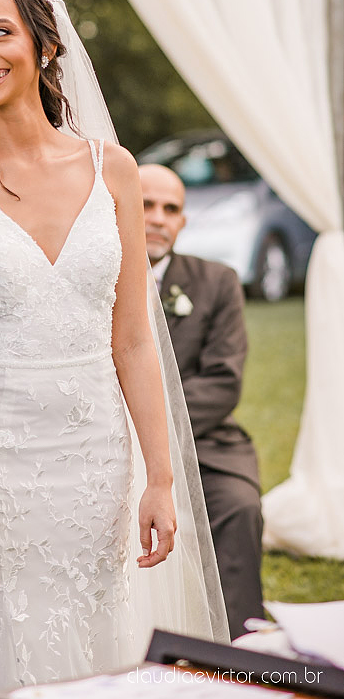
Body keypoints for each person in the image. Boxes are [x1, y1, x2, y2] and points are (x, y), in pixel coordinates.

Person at [0, 0, 228, 699]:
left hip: (95, 464)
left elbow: (131, 340)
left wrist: (158, 477)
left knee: (92, 645)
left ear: (45, 46)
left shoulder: (113, 169)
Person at [139, 162, 265, 639]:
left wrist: (151, 427)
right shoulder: (95, 278)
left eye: (171, 209)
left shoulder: (217, 282)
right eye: (146, 205)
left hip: (203, 440)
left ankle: (241, 644)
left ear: (183, 222)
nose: (157, 218)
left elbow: (223, 382)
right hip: (111, 439)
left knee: (239, 504)